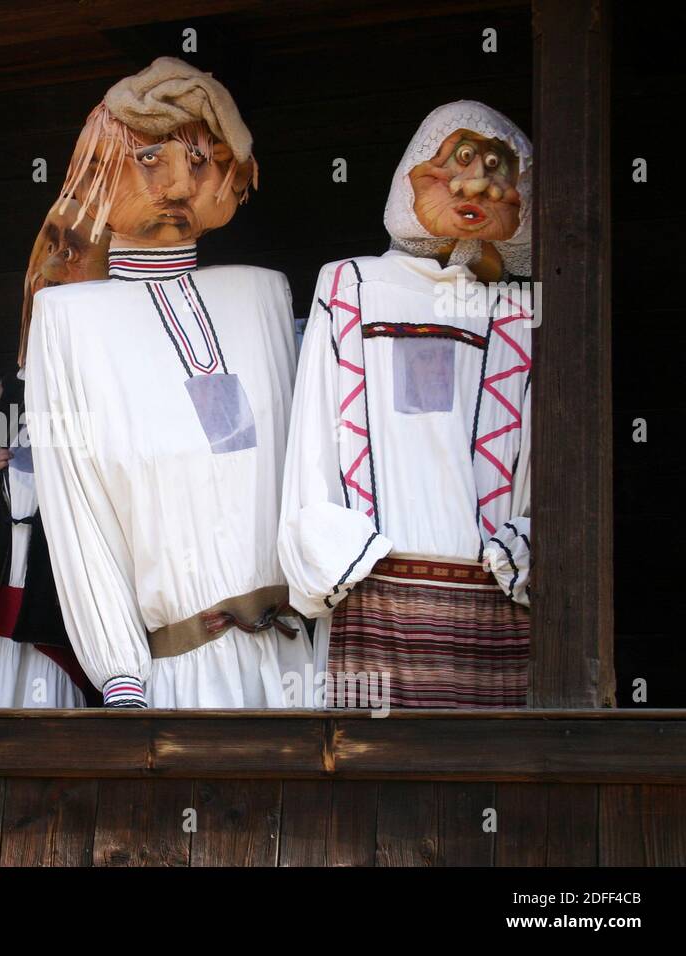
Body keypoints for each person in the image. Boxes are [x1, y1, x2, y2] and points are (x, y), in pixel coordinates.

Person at [27, 58, 312, 709]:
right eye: (152, 157)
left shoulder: (262, 296)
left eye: (205, 158)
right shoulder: (67, 319)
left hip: (301, 657)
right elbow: (78, 505)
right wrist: (120, 674)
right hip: (181, 677)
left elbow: (312, 467)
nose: (182, 184)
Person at [278, 101, 533, 709]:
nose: (477, 182)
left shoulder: (522, 311)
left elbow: (547, 449)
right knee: (372, 787)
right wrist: (331, 549)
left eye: (499, 167)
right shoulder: (352, 284)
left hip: (491, 596)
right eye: (460, 159)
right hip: (373, 589)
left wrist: (525, 545)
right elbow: (314, 429)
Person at [0, 202, 108, 708]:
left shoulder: (101, 386)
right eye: (48, 251)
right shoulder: (11, 390)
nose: (53, 269)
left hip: (57, 608)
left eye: (71, 253)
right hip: (2, 607)